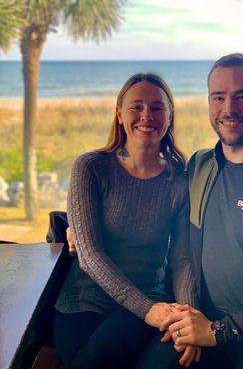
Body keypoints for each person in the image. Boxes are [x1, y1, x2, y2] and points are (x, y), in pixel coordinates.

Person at [136, 53, 243, 369]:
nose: (228, 109)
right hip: (200, 320)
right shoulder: (198, 166)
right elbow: (150, 203)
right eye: (218, 97)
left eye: (242, 97)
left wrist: (218, 332)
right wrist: (79, 225)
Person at [53, 73, 198, 369]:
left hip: (149, 299)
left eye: (158, 107)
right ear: (119, 114)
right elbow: (90, 256)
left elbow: (182, 259)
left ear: (170, 117)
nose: (147, 116)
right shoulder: (91, 168)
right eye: (136, 107)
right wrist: (149, 311)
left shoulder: (178, 181)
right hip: (86, 303)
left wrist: (188, 316)